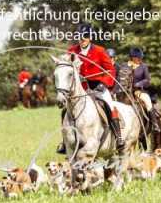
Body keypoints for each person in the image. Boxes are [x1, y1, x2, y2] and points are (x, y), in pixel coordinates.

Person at [57, 23, 123, 154]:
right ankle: (65, 142)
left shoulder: (99, 51)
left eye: (85, 37)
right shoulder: (72, 51)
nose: (82, 40)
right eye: (80, 37)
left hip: (98, 86)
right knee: (65, 110)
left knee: (109, 105)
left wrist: (103, 83)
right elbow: (65, 66)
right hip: (80, 88)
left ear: (90, 37)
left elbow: (110, 70)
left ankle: (118, 136)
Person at [128, 47, 152, 113]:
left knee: (148, 102)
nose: (137, 59)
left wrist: (138, 84)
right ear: (131, 57)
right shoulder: (126, 66)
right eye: (135, 57)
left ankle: (153, 122)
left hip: (139, 91)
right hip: (126, 91)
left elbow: (147, 79)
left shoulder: (144, 66)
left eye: (138, 57)